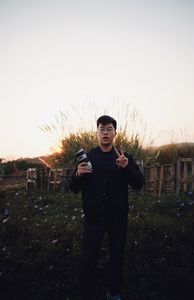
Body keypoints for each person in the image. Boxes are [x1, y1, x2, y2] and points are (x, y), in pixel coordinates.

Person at [69, 115, 144, 300]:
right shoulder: (87, 158)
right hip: (93, 220)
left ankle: (114, 293)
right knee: (88, 260)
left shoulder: (124, 157)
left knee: (117, 258)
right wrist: (78, 174)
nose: (105, 132)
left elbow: (139, 184)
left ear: (115, 134)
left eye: (109, 129)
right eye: (102, 129)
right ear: (97, 133)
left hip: (118, 220)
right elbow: (73, 187)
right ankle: (87, 294)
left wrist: (126, 168)